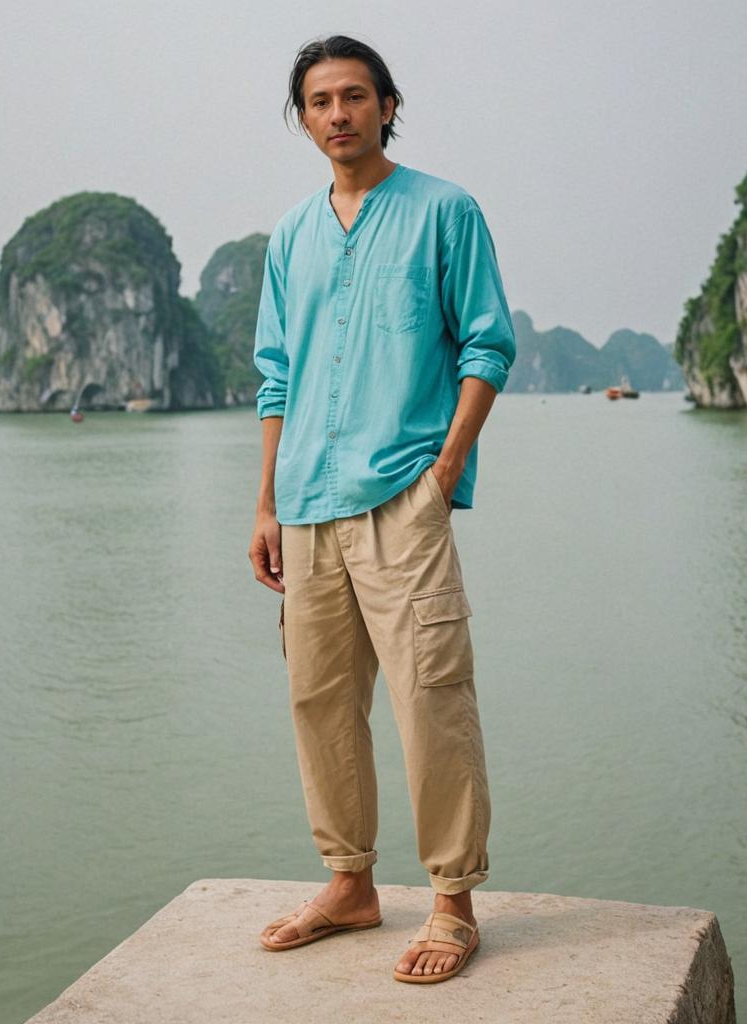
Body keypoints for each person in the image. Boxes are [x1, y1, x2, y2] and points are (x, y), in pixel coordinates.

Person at [247, 33, 516, 984]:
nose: (338, 115)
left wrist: (442, 473)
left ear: (388, 105)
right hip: (307, 503)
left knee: (431, 697)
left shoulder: (445, 211)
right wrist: (267, 502)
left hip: (403, 495)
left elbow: (488, 345)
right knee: (319, 700)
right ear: (304, 117)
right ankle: (350, 884)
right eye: (319, 101)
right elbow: (277, 372)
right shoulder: (291, 233)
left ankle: (451, 901)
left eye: (355, 96)